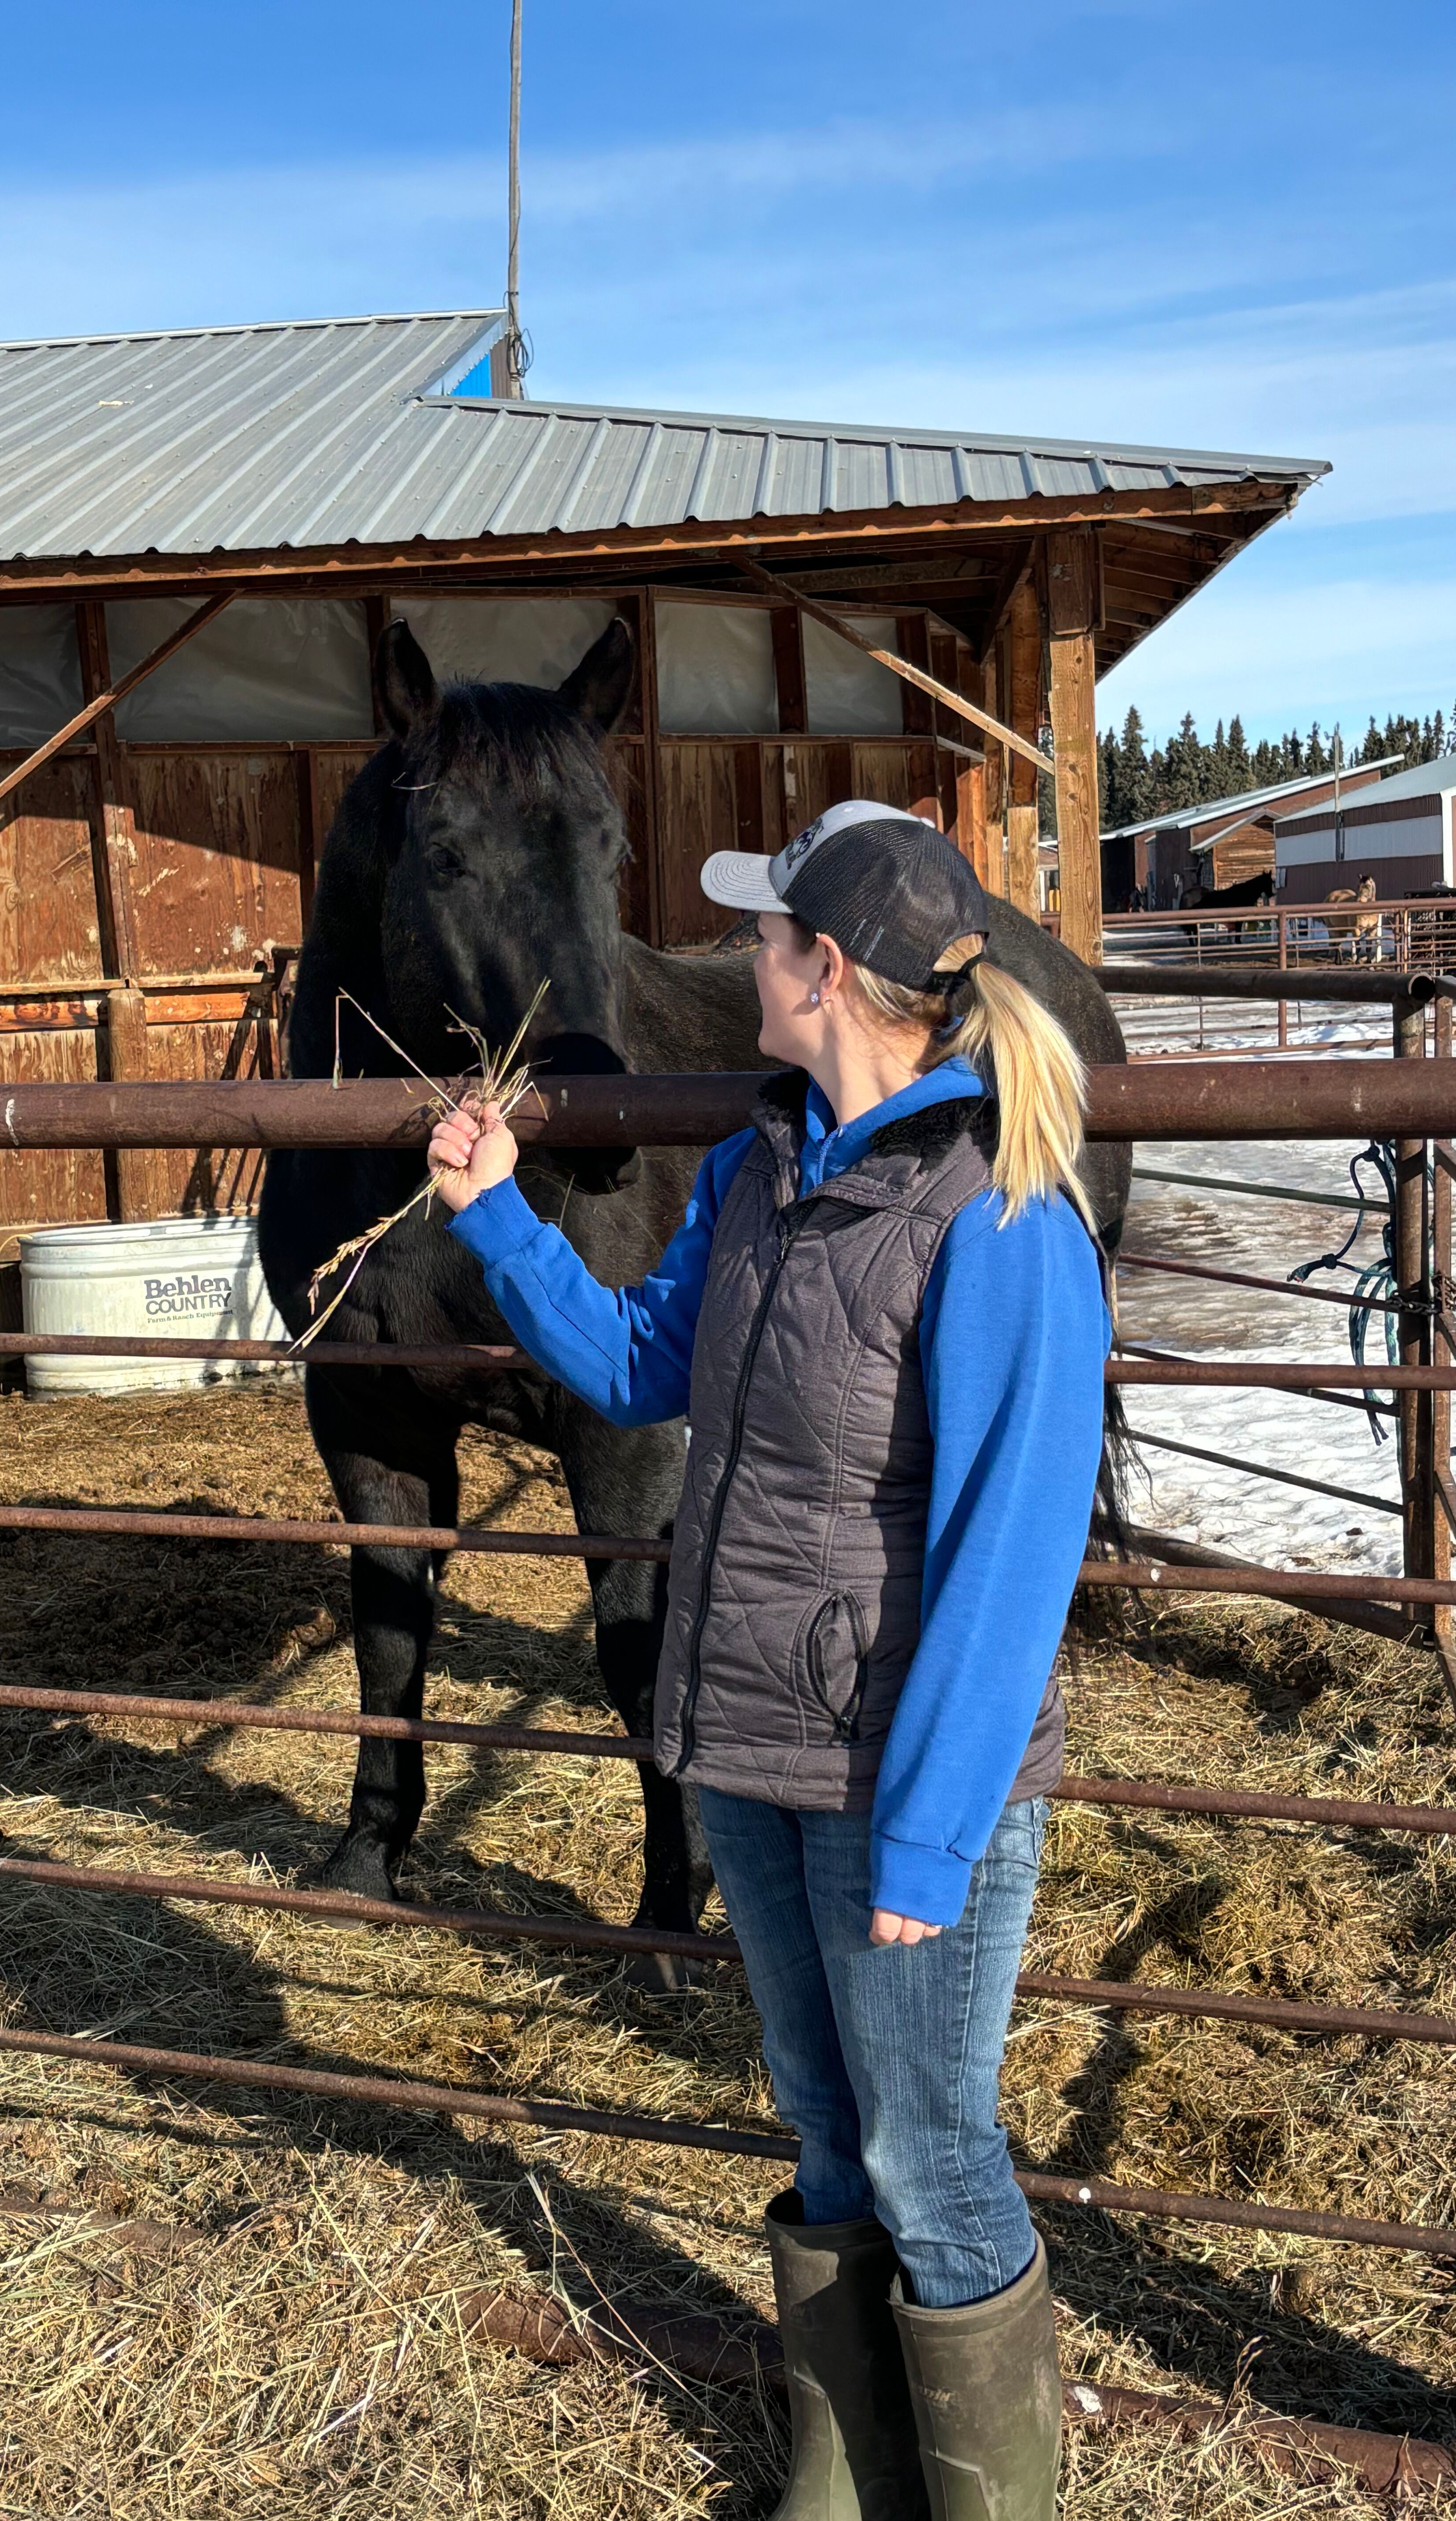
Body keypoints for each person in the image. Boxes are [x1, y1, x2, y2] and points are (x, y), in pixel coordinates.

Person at [428, 802, 1110, 2520]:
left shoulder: (1002, 1220)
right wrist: (502, 1222)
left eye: (762, 935)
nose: (734, 954)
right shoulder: (760, 1167)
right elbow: (646, 1367)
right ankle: (845, 2476)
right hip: (749, 1749)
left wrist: (936, 1836)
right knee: (822, 2131)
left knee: (930, 2154)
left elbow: (1010, 1561)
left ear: (827, 971)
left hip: (898, 1782)